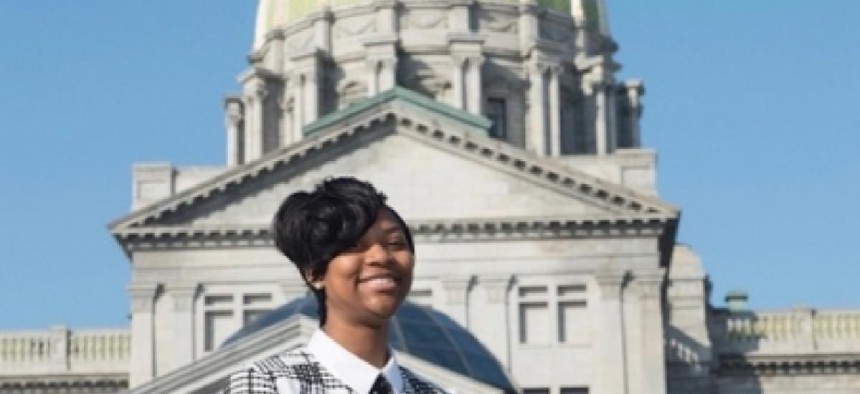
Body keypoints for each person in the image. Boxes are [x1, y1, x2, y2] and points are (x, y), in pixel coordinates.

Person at [223, 177, 446, 393]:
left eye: (395, 243)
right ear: (315, 273)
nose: (381, 256)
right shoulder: (272, 382)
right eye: (353, 245)